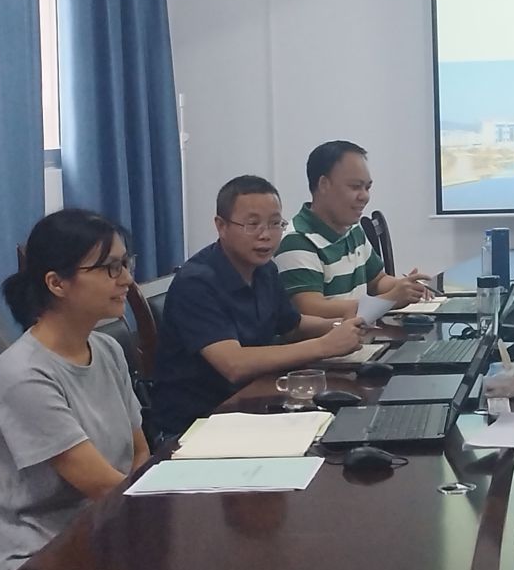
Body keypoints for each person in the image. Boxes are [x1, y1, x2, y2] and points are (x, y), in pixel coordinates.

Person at [0, 209, 150, 570]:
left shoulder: (107, 349)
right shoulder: (24, 375)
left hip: (104, 527)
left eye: (126, 264)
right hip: (37, 561)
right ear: (56, 283)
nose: (126, 279)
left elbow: (139, 452)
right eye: (110, 268)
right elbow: (100, 484)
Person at [152, 175, 370, 438]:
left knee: (352, 426)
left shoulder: (264, 269)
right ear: (221, 226)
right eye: (252, 225)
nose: (265, 235)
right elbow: (234, 364)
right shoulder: (196, 282)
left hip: (254, 404)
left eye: (275, 223)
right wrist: (325, 346)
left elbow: (292, 325)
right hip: (199, 425)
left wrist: (340, 327)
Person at [276, 140, 434, 320]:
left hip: (360, 333)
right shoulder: (297, 240)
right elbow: (311, 309)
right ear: (324, 184)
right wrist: (390, 299)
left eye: (367, 187)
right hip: (331, 337)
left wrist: (406, 287)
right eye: (355, 187)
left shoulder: (352, 229)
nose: (365, 196)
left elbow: (377, 281)